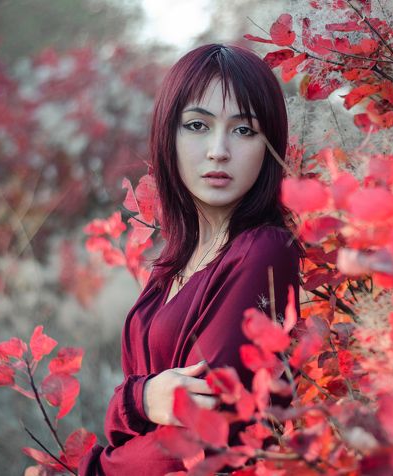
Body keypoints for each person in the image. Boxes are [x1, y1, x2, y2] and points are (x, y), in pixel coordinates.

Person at [79, 44, 303, 475]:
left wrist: (91, 468)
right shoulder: (173, 263)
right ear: (170, 135)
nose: (218, 150)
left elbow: (206, 434)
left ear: (269, 145)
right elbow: (138, 425)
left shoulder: (266, 249)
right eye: (198, 125)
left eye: (244, 130)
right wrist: (140, 400)